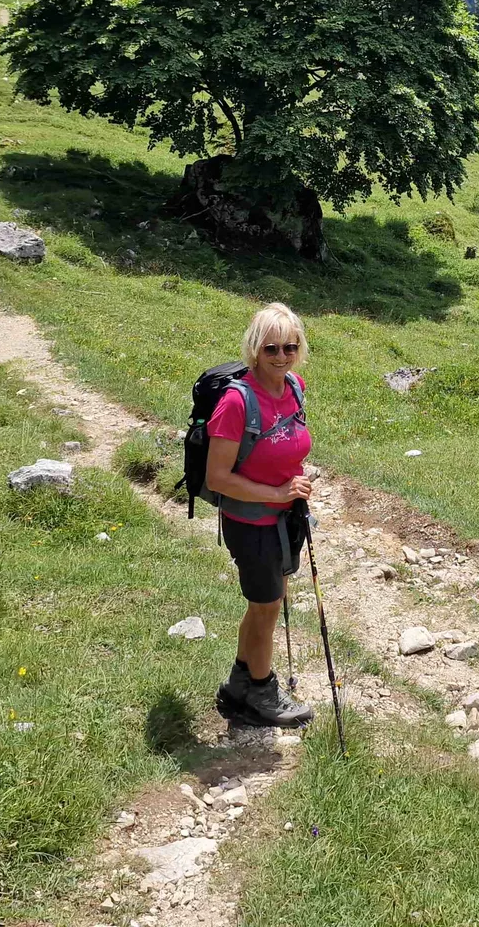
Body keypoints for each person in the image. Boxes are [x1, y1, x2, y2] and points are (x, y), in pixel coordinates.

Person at [204, 302, 317, 728]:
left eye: (290, 347)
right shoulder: (236, 402)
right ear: (255, 348)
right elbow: (218, 477)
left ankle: (239, 683)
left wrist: (295, 484)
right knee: (267, 605)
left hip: (285, 517)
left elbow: (288, 445)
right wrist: (274, 491)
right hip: (251, 523)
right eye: (272, 348)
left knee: (264, 604)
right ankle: (262, 693)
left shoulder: (294, 388)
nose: (282, 356)